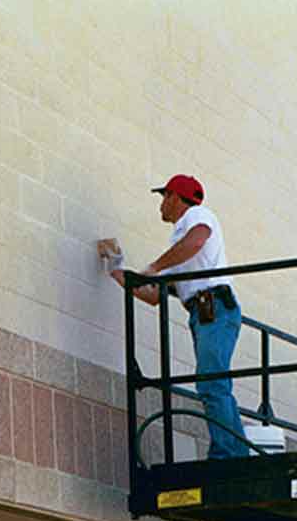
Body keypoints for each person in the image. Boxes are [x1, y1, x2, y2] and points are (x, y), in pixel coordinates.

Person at [98, 174, 248, 459]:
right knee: (214, 383)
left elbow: (196, 241)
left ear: (175, 198)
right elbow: (155, 296)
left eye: (164, 197)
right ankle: (236, 453)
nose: (161, 205)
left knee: (211, 383)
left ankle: (228, 455)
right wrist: (119, 274)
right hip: (204, 312)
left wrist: (153, 266)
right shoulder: (179, 249)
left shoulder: (197, 216)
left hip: (214, 307)